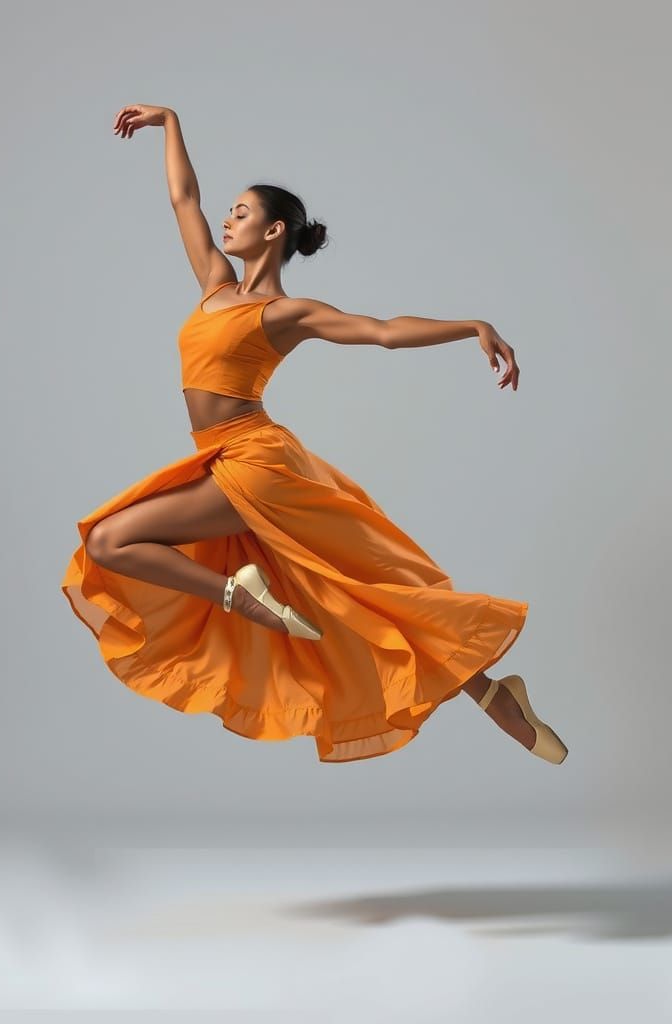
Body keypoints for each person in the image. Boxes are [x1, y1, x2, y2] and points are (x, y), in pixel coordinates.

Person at [60, 103, 567, 765]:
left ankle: (240, 597)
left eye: (241, 212)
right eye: (230, 211)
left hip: (254, 459)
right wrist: (172, 122)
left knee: (110, 539)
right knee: (340, 589)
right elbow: (183, 197)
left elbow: (382, 331)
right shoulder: (214, 286)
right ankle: (490, 691)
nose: (226, 219)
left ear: (273, 231)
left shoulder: (286, 312)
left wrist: (469, 325)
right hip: (221, 457)